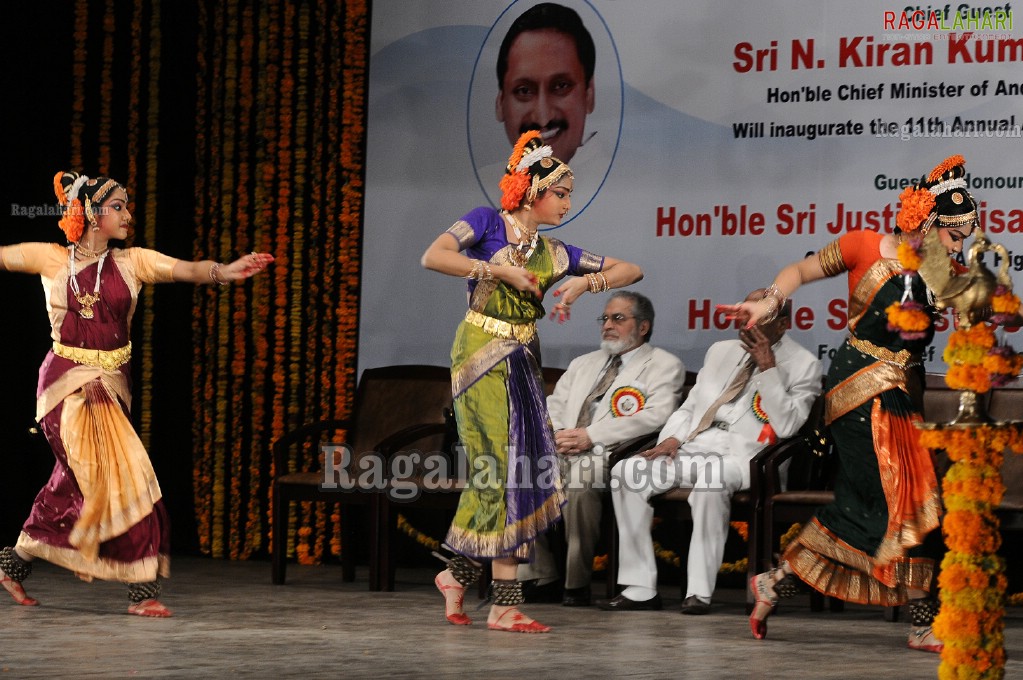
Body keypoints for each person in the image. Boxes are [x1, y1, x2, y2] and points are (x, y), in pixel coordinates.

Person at [726, 155, 1014, 651]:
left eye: (964, 236)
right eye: (951, 234)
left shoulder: (941, 271)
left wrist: (1000, 304)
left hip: (903, 391)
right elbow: (800, 269)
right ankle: (919, 622)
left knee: (907, 500)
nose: (958, 244)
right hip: (858, 384)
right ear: (924, 221)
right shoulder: (863, 244)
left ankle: (779, 582)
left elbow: (978, 305)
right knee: (901, 497)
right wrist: (768, 300)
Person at [0, 171, 273, 617]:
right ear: (90, 213)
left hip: (111, 386)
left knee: (75, 483)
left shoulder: (132, 263)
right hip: (65, 388)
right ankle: (142, 592)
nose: (129, 214)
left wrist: (225, 271)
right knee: (128, 476)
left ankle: (12, 563)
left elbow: (186, 270)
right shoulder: (49, 258)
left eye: (128, 206)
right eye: (119, 207)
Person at [421, 129, 642, 632]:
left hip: (522, 359)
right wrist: (498, 273)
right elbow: (434, 256)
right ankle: (501, 603)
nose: (567, 203)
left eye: (568, 195)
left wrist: (586, 282)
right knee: (504, 466)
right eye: (560, 194)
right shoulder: (483, 223)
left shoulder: (556, 253)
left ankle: (458, 576)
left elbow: (633, 269)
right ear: (532, 191)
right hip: (479, 354)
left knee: (518, 470)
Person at [597, 290, 821, 614]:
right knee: (627, 472)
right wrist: (672, 439)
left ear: (783, 323)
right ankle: (640, 587)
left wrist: (768, 368)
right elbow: (690, 407)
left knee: (711, 481)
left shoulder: (804, 365)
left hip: (748, 456)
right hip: (696, 445)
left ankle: (698, 592)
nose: (748, 320)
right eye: (745, 312)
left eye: (759, 314)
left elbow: (787, 426)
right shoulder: (721, 351)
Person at [518, 291, 685, 607]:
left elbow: (657, 415)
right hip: (564, 448)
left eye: (618, 318)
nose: (608, 325)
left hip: (611, 454)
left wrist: (590, 435)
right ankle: (539, 576)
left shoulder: (664, 365)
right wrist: (557, 435)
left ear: (644, 326)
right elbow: (554, 403)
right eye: (605, 318)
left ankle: (576, 583)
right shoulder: (584, 363)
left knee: (582, 480)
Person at [496, 2, 595, 165]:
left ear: (589, 95)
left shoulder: (628, 182)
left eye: (561, 86)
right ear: (500, 103)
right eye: (524, 90)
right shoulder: (472, 183)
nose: (543, 118)